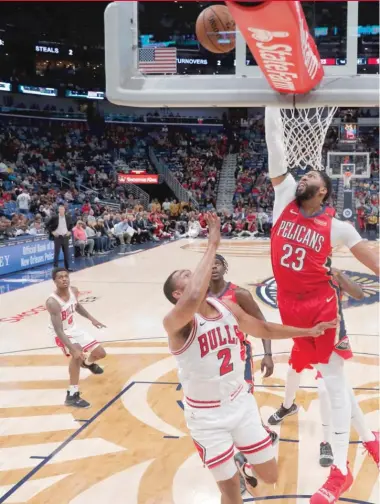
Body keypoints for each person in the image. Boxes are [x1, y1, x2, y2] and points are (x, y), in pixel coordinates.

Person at [163, 213, 336, 504]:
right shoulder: (176, 324)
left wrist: (309, 330)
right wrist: (212, 243)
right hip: (206, 417)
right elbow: (193, 298)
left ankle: (240, 464)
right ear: (178, 293)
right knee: (229, 489)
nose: (195, 274)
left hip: (240, 403)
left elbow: (264, 327)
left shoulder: (227, 305)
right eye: (187, 275)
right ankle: (231, 471)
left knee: (269, 475)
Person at [265, 107, 379, 504]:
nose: (304, 176)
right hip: (289, 307)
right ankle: (370, 439)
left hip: (320, 308)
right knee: (335, 379)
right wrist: (269, 104)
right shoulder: (283, 197)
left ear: (323, 190)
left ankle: (340, 472)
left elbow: (375, 262)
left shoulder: (338, 227)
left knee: (331, 382)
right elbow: (276, 149)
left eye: (312, 176)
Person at [268, 268, 365, 468]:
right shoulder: (298, 275)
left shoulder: (331, 275)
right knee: (292, 373)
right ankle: (288, 406)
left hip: (326, 340)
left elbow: (358, 292)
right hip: (306, 335)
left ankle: (326, 441)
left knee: (324, 391)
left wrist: (338, 275)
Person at [209, 253, 278, 496]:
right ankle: (238, 463)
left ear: (224, 267)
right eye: (209, 264)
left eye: (217, 264)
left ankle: (243, 462)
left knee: (241, 406)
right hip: (207, 364)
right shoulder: (197, 298)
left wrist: (267, 354)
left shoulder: (240, 295)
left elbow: (262, 323)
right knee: (219, 416)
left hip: (238, 360)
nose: (213, 268)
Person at [46, 268, 107, 408]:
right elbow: (58, 329)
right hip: (60, 332)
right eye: (60, 277)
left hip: (73, 328)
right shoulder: (52, 302)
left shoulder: (73, 290)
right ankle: (72, 395)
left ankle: (88, 363)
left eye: (66, 276)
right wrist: (73, 349)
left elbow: (77, 306)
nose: (64, 279)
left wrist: (92, 319)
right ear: (54, 281)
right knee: (77, 354)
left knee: (100, 353)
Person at [46, 204, 73, 271]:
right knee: (56, 253)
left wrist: (69, 231)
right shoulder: (54, 217)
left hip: (65, 236)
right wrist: (52, 232)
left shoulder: (68, 217)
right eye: (60, 209)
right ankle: (55, 268)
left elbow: (71, 225)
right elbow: (47, 225)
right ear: (58, 210)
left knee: (66, 253)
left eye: (62, 209)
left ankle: (67, 267)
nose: (61, 210)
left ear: (64, 210)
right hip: (57, 237)